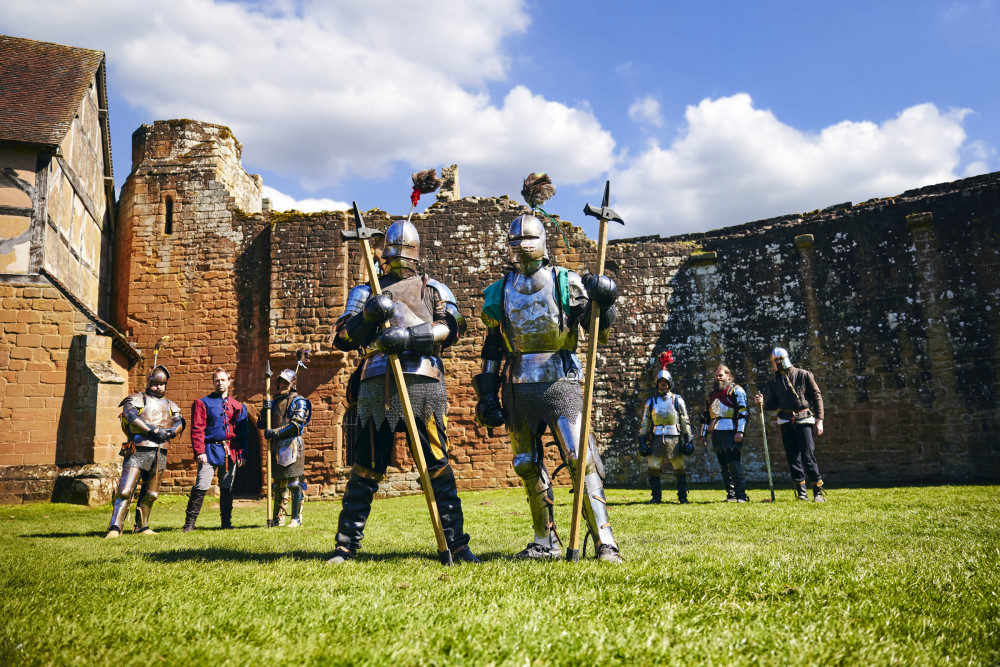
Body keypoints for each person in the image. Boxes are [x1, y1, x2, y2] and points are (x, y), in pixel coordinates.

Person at [328, 219, 478, 563]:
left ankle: (455, 543)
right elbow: (342, 338)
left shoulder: (433, 288)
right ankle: (346, 544)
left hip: (423, 380)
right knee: (365, 467)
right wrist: (368, 316)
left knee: (436, 464)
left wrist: (410, 337)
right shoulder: (366, 291)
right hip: (376, 381)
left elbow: (452, 328)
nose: (398, 256)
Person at [474, 212, 622, 562]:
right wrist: (486, 394)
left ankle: (605, 541)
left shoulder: (565, 281)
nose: (521, 246)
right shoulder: (500, 291)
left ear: (542, 242)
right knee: (526, 462)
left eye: (527, 239)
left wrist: (606, 301)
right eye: (515, 240)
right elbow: (494, 346)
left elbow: (598, 329)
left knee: (579, 458)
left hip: (561, 378)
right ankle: (545, 541)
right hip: (518, 381)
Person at [106, 365, 185, 538]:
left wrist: (171, 432)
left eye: (162, 384)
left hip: (160, 450)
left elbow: (180, 422)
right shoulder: (138, 398)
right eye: (156, 383)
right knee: (125, 490)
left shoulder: (171, 404)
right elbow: (130, 415)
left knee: (151, 493)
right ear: (149, 383)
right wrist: (152, 430)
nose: (159, 387)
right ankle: (115, 527)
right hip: (139, 448)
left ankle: (142, 526)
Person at [754, 347, 827, 501]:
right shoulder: (773, 381)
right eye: (774, 361)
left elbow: (817, 397)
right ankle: (801, 492)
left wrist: (819, 421)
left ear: (784, 358)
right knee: (793, 457)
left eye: (778, 360)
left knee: (808, 456)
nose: (777, 363)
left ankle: (817, 492)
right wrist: (761, 403)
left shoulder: (804, 374)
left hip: (804, 419)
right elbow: (772, 404)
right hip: (786, 421)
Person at [183, 368, 249, 531]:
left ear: (229, 382)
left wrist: (243, 452)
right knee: (201, 485)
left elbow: (243, 433)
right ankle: (189, 524)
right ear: (213, 382)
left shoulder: (238, 406)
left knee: (227, 488)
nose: (220, 383)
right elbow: (197, 429)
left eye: (223, 380)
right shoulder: (203, 403)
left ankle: (226, 523)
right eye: (217, 380)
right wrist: (200, 451)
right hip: (210, 449)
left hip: (230, 451)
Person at [259, 366, 312, 527]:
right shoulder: (275, 401)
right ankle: (278, 518)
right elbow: (262, 423)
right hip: (277, 447)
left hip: (292, 444)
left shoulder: (299, 401)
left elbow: (296, 425)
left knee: (294, 483)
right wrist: (265, 408)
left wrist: (275, 433)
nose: (282, 385)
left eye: (286, 383)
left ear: (292, 384)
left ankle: (296, 518)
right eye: (280, 382)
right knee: (278, 485)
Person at [638, 354, 693, 504]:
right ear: (657, 384)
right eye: (660, 382)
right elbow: (645, 423)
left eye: (665, 382)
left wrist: (688, 440)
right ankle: (656, 497)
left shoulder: (677, 399)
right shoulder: (651, 402)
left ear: (670, 383)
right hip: (656, 438)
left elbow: (685, 420)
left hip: (674, 437)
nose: (663, 385)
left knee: (679, 467)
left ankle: (682, 497)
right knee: (653, 467)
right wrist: (642, 442)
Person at [700, 365, 749, 503]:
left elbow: (743, 412)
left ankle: (740, 495)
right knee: (723, 466)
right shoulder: (712, 394)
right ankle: (731, 495)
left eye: (721, 375)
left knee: (734, 464)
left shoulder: (736, 390)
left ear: (728, 375)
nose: (718, 378)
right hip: (717, 433)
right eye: (716, 375)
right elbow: (706, 416)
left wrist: (740, 431)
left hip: (731, 431)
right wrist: (704, 435)